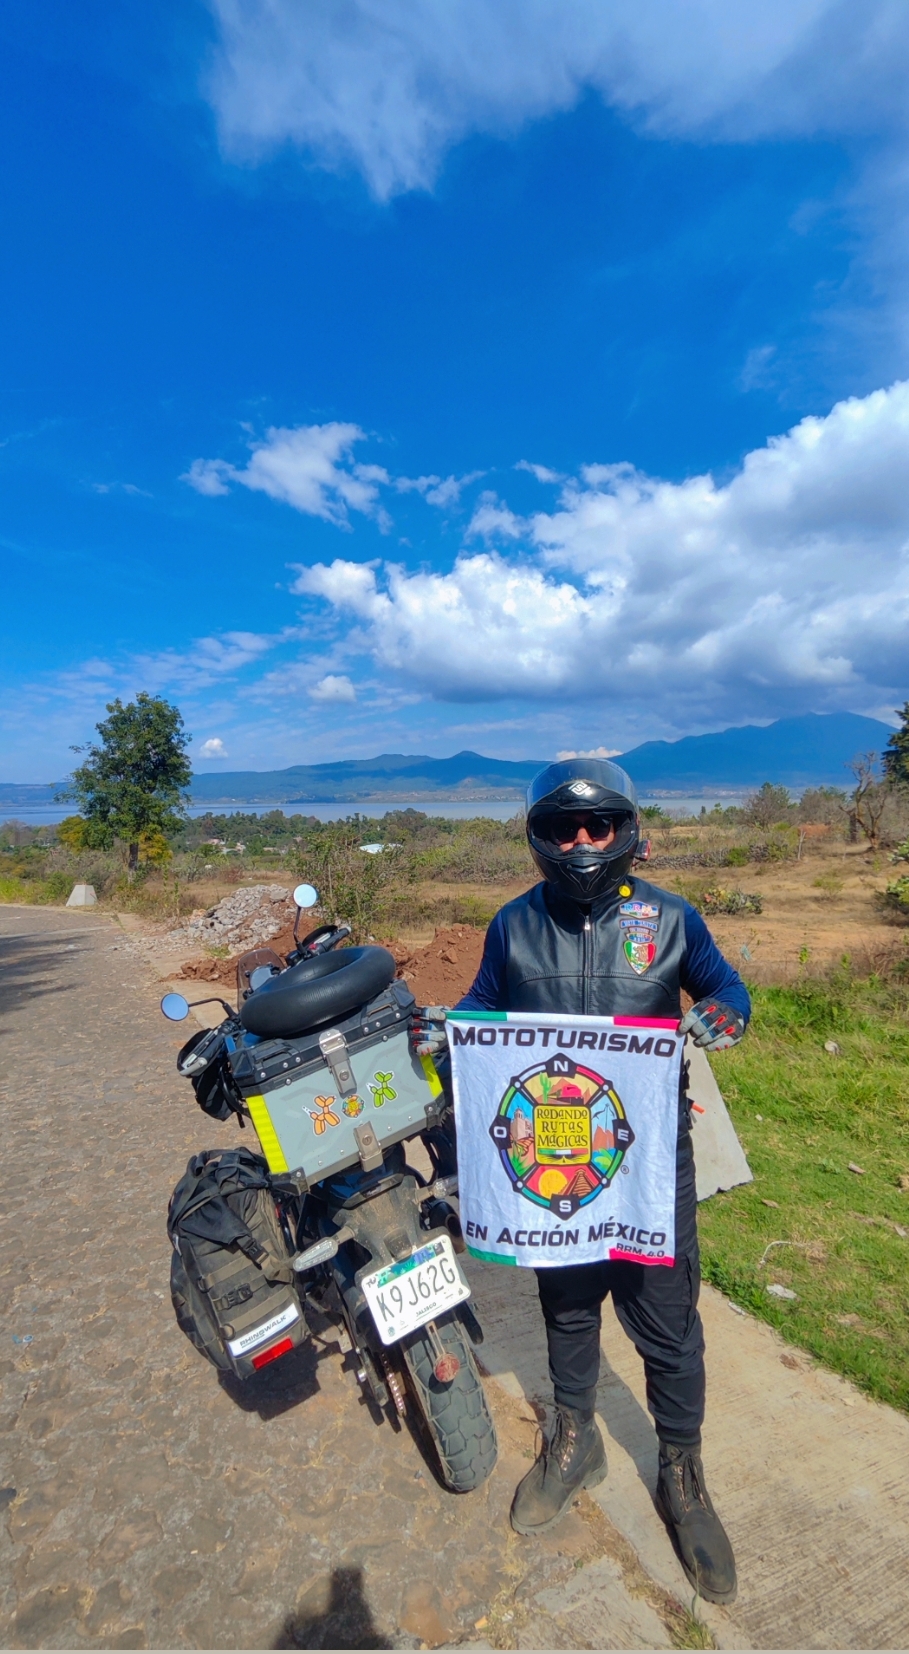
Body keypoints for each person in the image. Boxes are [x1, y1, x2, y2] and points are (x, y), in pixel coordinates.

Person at [412, 758, 749, 1605]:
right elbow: (482, 1013)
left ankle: (682, 1472)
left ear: (627, 831)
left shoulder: (670, 919)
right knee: (565, 1307)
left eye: (598, 826)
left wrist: (723, 1014)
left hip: (644, 1159)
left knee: (666, 1322)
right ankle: (575, 1440)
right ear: (538, 837)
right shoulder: (511, 926)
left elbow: (724, 986)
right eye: (562, 826)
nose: (581, 842)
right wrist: (444, 1031)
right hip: (548, 1165)